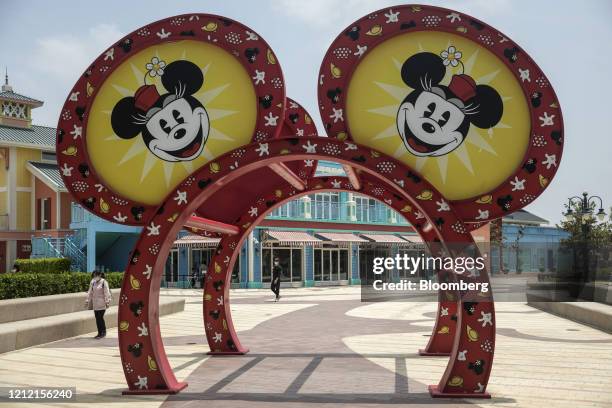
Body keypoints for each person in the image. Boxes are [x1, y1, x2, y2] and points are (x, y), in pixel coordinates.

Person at [85, 270, 112, 339]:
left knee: (100, 318)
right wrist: (87, 300)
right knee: (97, 318)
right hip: (95, 304)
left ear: (99, 275)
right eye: (93, 276)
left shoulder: (104, 282)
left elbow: (107, 292)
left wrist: (107, 301)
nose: (94, 277)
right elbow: (90, 292)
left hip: (102, 303)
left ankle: (103, 332)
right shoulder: (93, 282)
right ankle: (99, 333)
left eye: (95, 275)